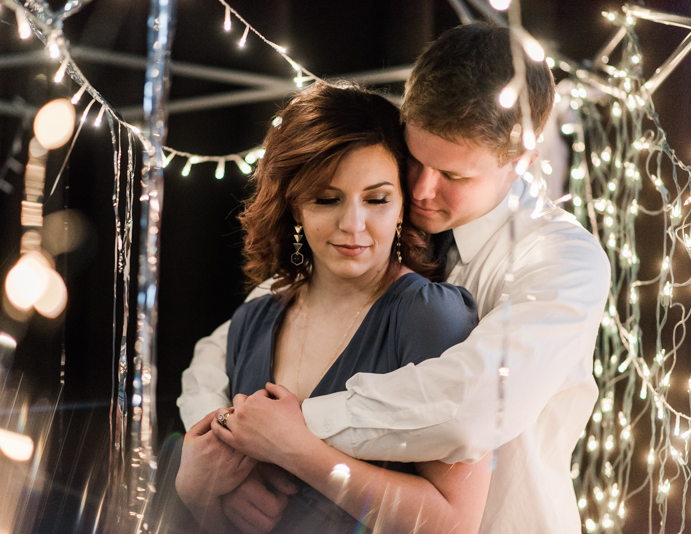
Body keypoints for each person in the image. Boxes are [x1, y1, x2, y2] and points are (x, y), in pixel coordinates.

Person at [178, 22, 610, 533]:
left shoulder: (563, 260)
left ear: (523, 161)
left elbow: (468, 408)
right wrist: (217, 453)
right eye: (416, 158)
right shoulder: (379, 230)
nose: (423, 190)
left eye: (454, 176)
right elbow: (221, 350)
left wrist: (292, 434)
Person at [175, 81, 491, 534]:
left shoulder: (429, 316)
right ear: (294, 206)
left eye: (377, 199)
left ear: (402, 203)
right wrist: (196, 489)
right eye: (327, 199)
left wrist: (297, 450)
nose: (353, 225)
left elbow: (456, 524)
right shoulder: (254, 319)